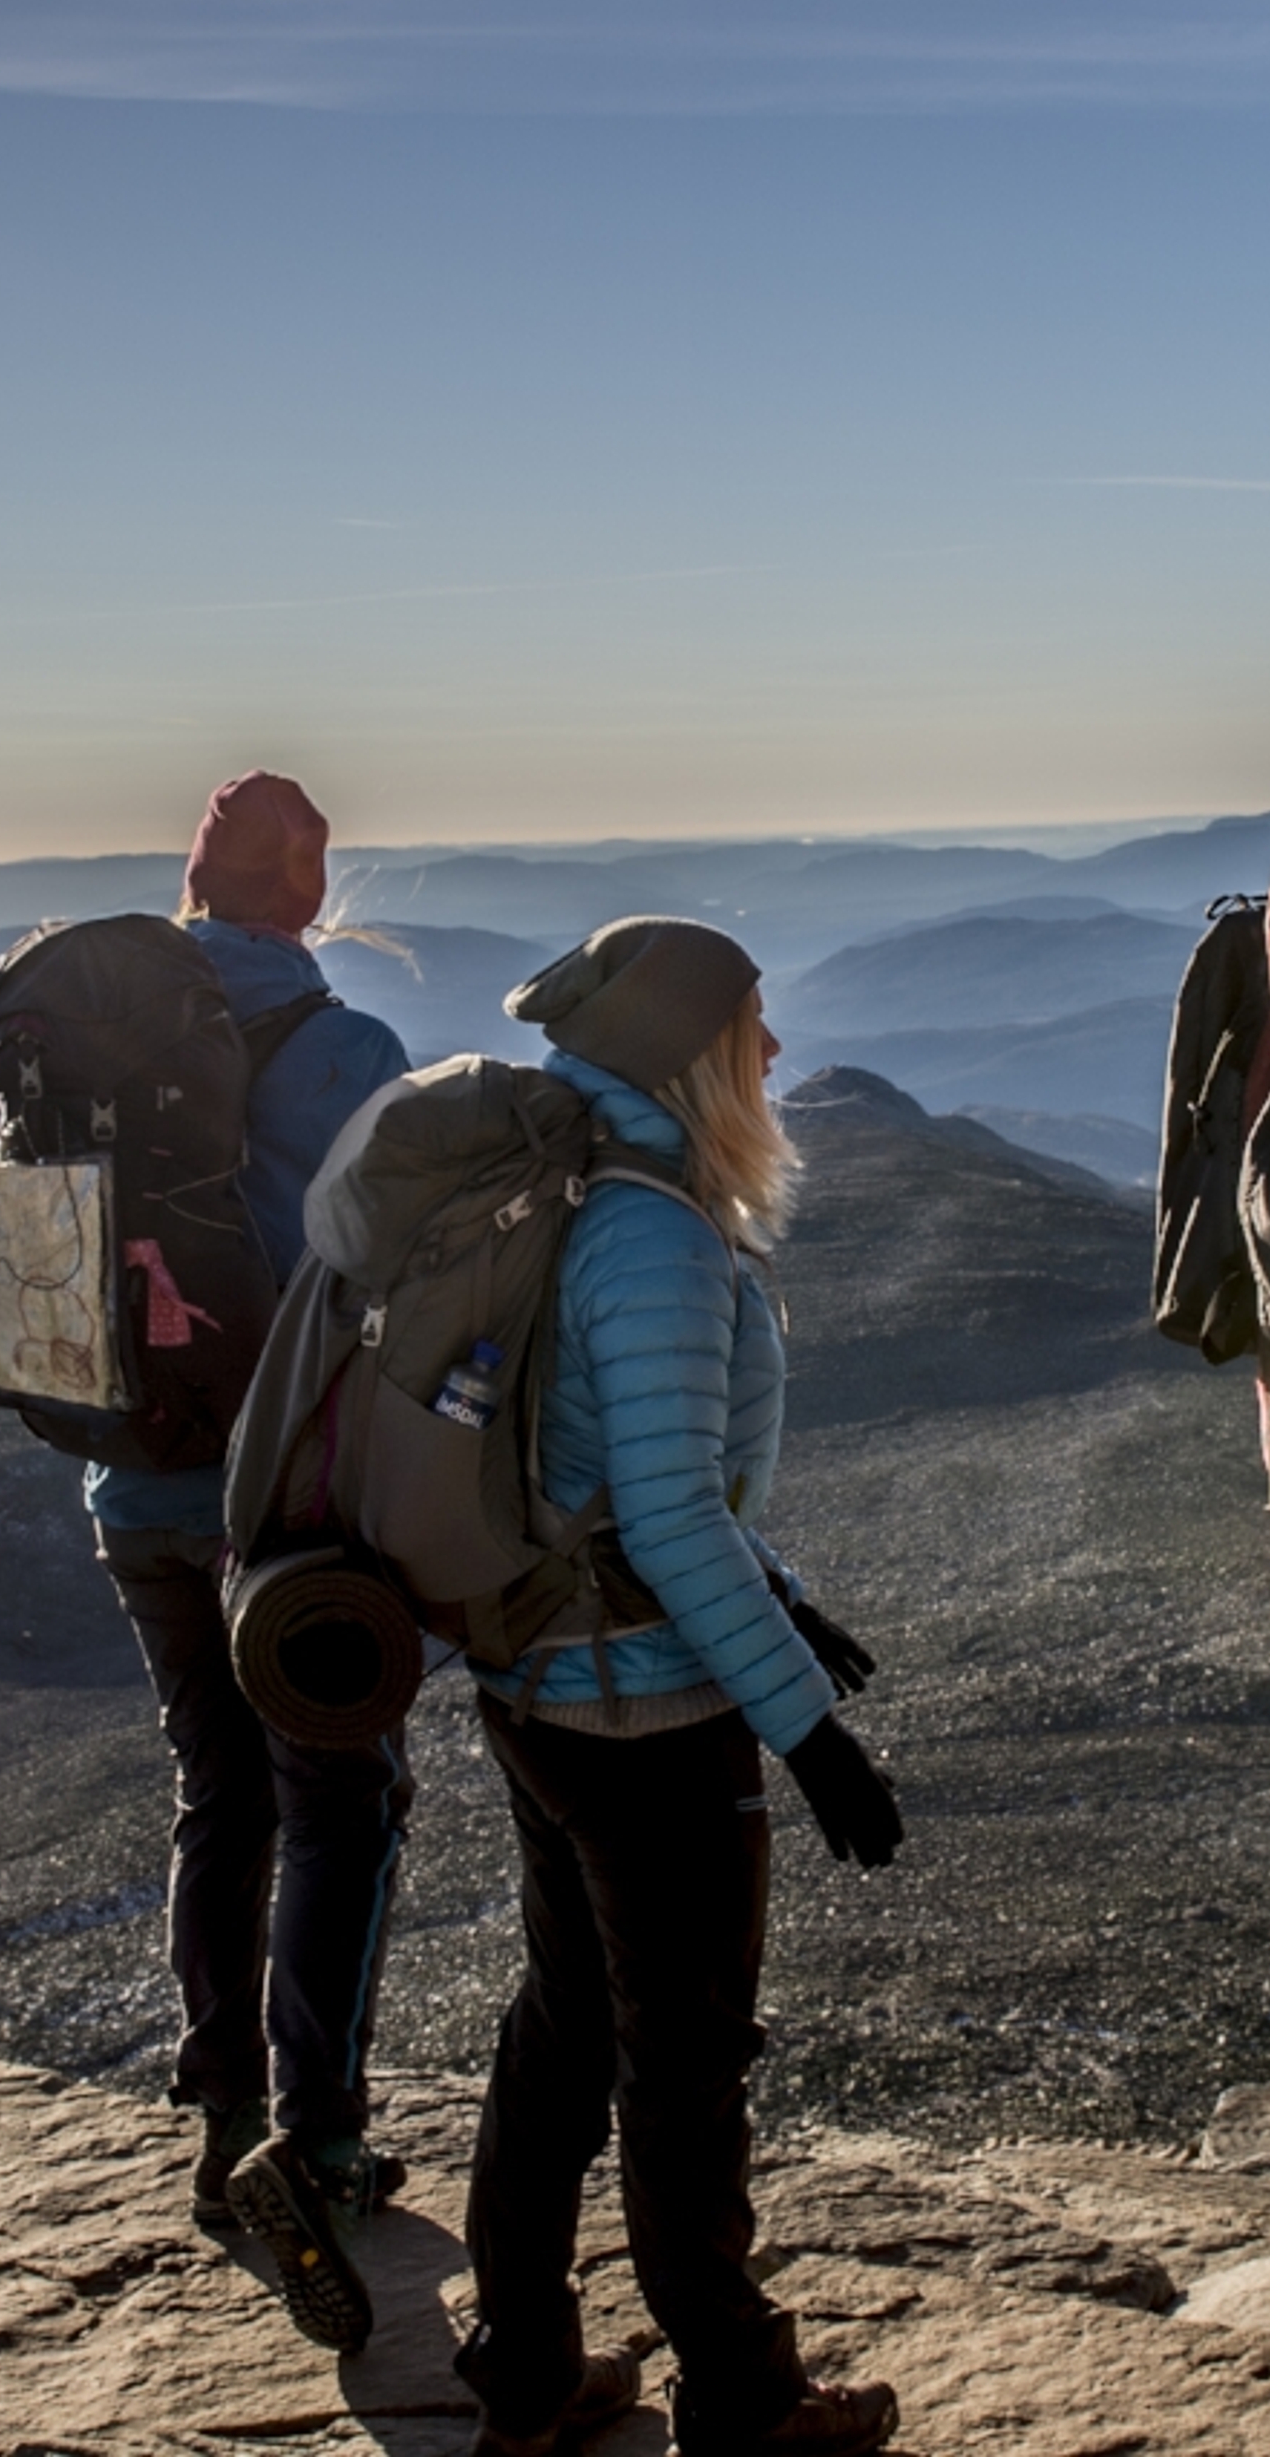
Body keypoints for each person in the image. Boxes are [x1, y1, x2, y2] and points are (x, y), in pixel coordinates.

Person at [452, 917, 907, 2457]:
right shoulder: (650, 1232)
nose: (775, 1052)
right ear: (693, 1055)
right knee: (685, 2066)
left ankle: (520, 2376)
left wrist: (781, 1602)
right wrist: (811, 1733)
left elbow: (609, 1484)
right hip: (640, 1710)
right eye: (755, 1026)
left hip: (536, 1681)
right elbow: (664, 1513)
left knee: (566, 2023)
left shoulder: (572, 1181)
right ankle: (745, 2396)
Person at [81, 770, 414, 2321]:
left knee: (216, 1790)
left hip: (130, 1484)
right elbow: (396, 1268)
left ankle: (222, 2113)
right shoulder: (345, 1048)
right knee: (341, 1797)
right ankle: (320, 2134)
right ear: (311, 887)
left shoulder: (89, 1042)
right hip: (283, 1498)